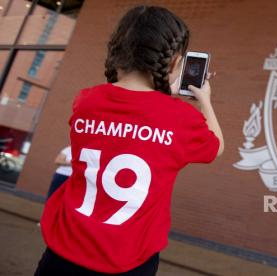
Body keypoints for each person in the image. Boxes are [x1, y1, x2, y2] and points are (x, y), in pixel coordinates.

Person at [34, 5, 224, 275]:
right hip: (129, 262)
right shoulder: (179, 118)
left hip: (63, 253)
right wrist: (204, 98)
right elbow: (215, 146)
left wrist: (161, 95)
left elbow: (128, 119)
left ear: (116, 51)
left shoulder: (87, 100)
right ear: (173, 62)